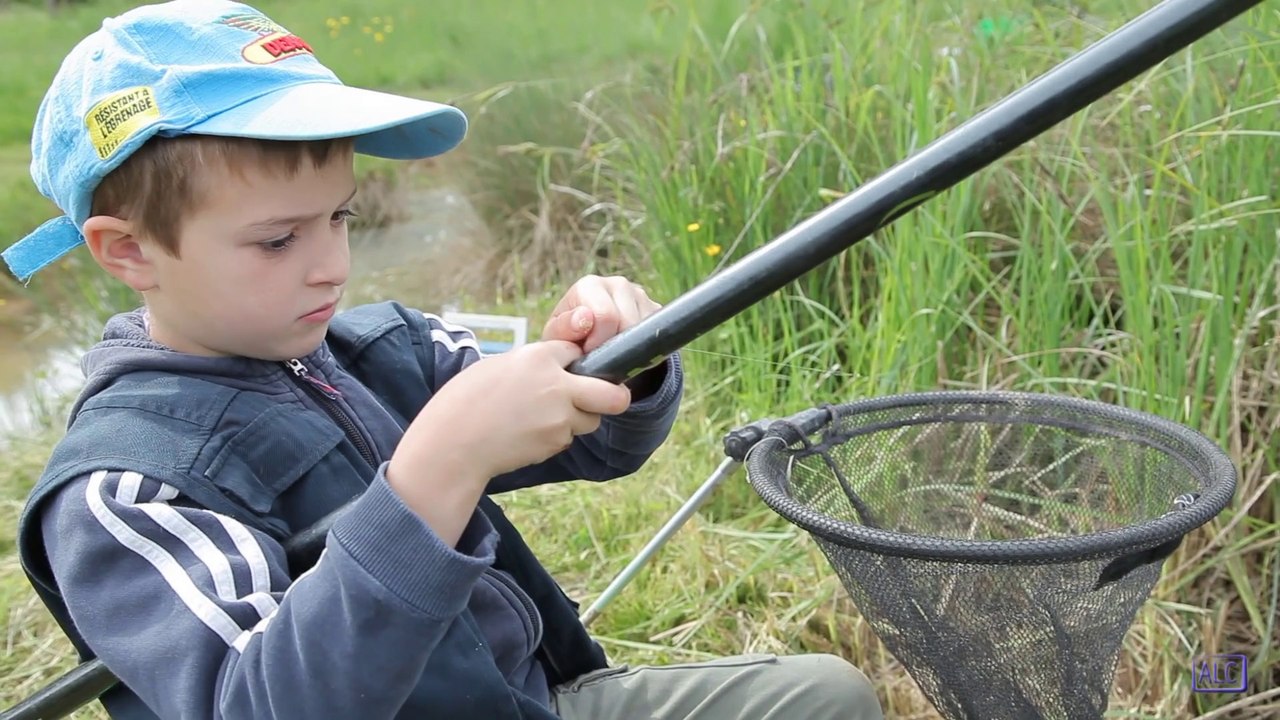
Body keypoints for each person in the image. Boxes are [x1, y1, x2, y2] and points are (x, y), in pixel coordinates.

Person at [5, 2, 885, 719]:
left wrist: (616, 360)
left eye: (341, 218)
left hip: (529, 699)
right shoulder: (124, 491)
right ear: (127, 254)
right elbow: (261, 705)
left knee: (828, 696)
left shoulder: (382, 349)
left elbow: (602, 445)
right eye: (277, 240)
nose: (330, 265)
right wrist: (438, 468)